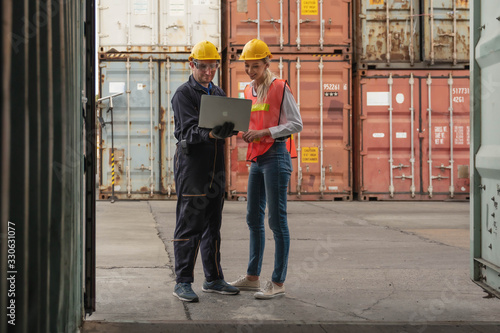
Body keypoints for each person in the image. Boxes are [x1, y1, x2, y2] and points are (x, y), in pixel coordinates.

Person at [230, 39, 303, 299]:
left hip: (276, 156)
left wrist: (264, 132)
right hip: (257, 159)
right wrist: (238, 130)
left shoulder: (280, 87)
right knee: (253, 217)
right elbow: (249, 121)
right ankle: (252, 277)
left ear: (266, 63)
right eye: (247, 66)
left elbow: (296, 123)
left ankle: (278, 282)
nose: (250, 71)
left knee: (276, 221)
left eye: (255, 66)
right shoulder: (248, 90)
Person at [171, 40, 239, 302]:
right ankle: (182, 282)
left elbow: (222, 127)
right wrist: (210, 132)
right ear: (192, 64)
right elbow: (185, 132)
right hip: (193, 170)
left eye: (213, 67)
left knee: (213, 227)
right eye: (203, 67)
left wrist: (228, 130)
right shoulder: (184, 95)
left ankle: (213, 279)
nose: (208, 72)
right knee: (189, 226)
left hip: (215, 170)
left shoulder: (219, 94)